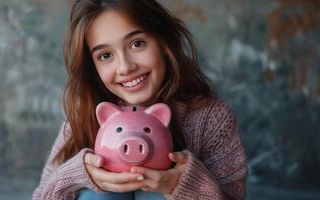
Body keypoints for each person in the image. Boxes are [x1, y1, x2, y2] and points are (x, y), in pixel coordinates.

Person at [33, 0, 248, 199]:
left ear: (163, 43)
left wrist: (185, 184)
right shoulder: (86, 115)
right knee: (97, 194)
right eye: (105, 56)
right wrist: (76, 175)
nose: (126, 67)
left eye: (137, 44)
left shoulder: (211, 117)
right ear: (94, 67)